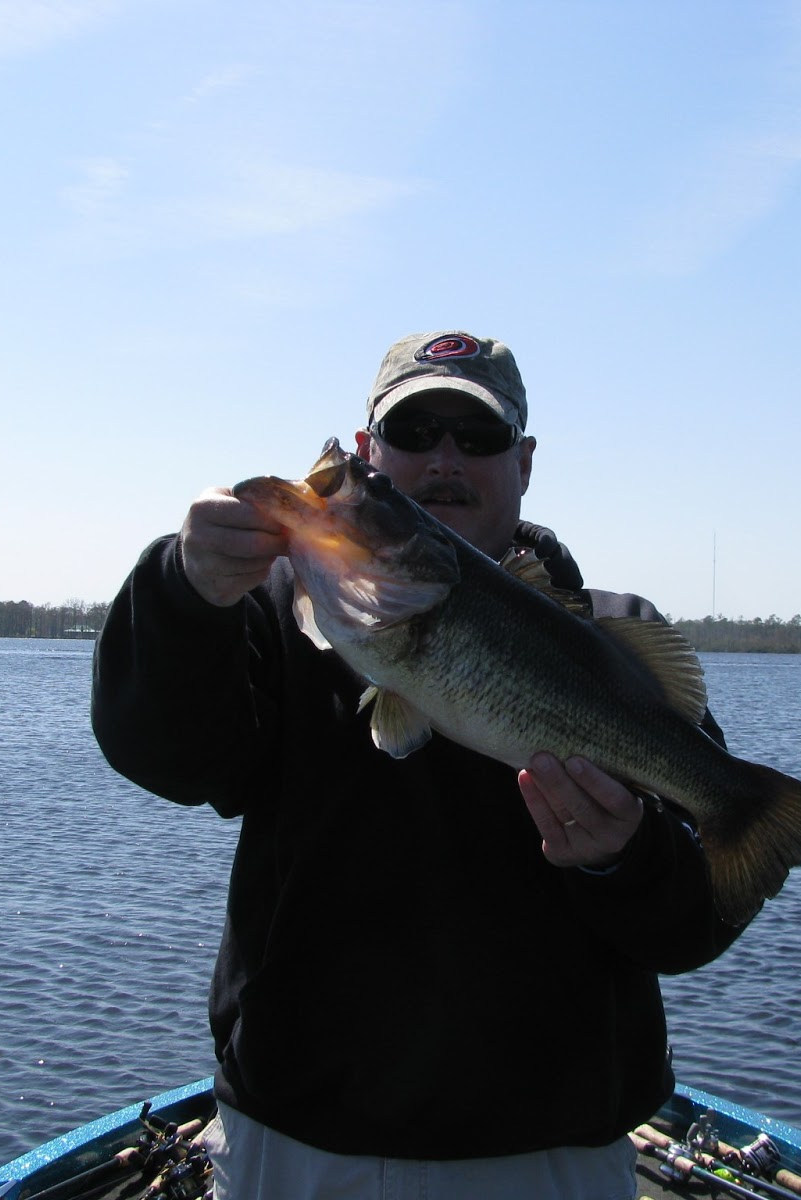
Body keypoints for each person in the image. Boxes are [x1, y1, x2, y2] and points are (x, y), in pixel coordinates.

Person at [91, 331, 744, 1199]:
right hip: (299, 1142)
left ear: (525, 462)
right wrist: (180, 591)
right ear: (370, 454)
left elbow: (698, 915)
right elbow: (164, 755)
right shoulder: (272, 616)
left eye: (476, 438)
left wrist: (624, 858)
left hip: (549, 1154)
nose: (444, 460)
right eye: (413, 433)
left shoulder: (612, 646)